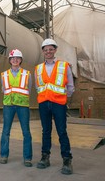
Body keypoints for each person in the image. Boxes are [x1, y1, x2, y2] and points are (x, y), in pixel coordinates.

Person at [35, 38, 74, 175]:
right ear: (43, 52)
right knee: (46, 131)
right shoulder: (38, 68)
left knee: (61, 131)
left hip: (59, 104)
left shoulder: (64, 66)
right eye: (46, 50)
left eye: (51, 49)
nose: (48, 52)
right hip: (44, 103)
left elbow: (70, 87)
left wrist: (63, 98)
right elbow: (37, 86)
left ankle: (67, 160)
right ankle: (45, 157)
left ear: (55, 50)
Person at [0, 49, 33, 167]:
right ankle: (3, 155)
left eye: (17, 58)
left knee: (26, 132)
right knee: (6, 131)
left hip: (23, 106)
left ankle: (27, 158)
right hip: (8, 105)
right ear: (10, 60)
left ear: (20, 60)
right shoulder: (4, 74)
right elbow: (4, 89)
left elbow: (29, 88)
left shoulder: (27, 74)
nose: (15, 60)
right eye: (12, 58)